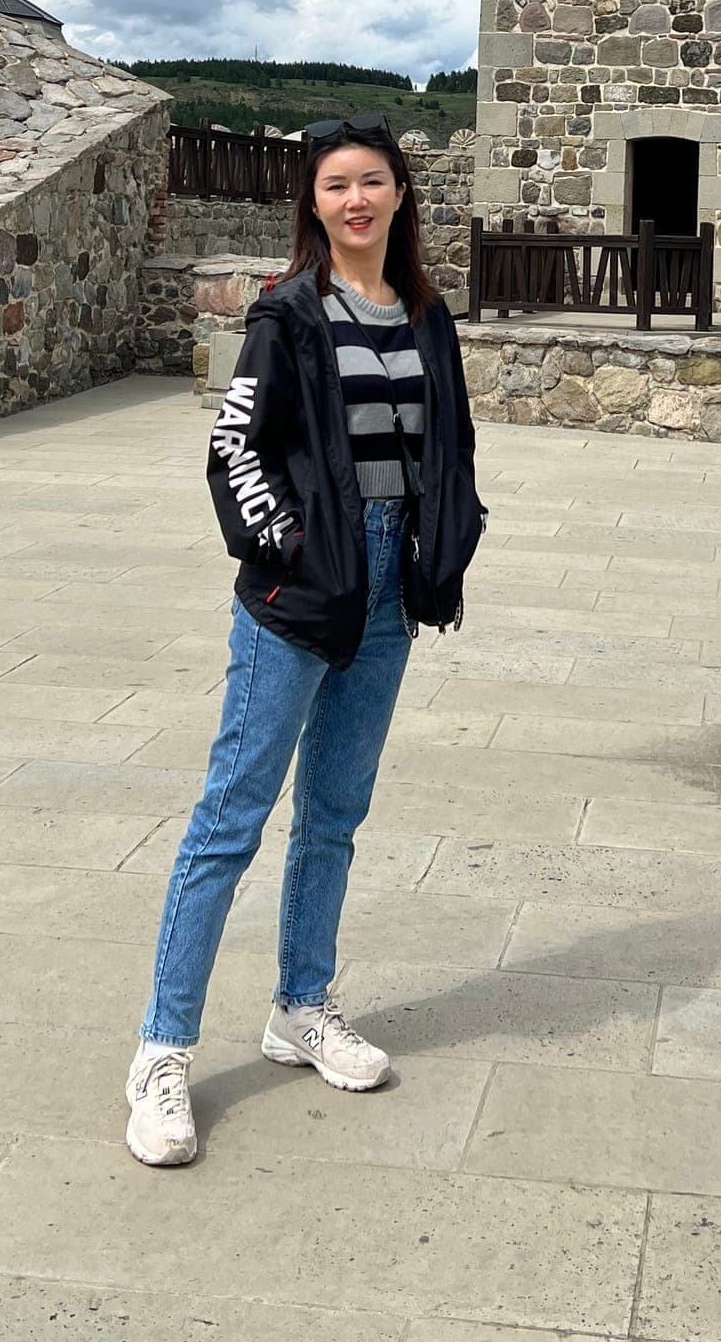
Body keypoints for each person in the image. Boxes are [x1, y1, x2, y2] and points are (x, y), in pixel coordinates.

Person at [124, 114, 485, 1167]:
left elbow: (449, 446)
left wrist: (440, 548)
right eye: (336, 185)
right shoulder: (288, 314)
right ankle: (161, 1052)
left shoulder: (425, 315)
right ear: (313, 203)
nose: (356, 199)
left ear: (401, 195)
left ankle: (301, 1007)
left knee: (333, 813)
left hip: (388, 592)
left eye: (372, 180)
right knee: (231, 816)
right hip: (297, 592)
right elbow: (234, 446)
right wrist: (287, 550)